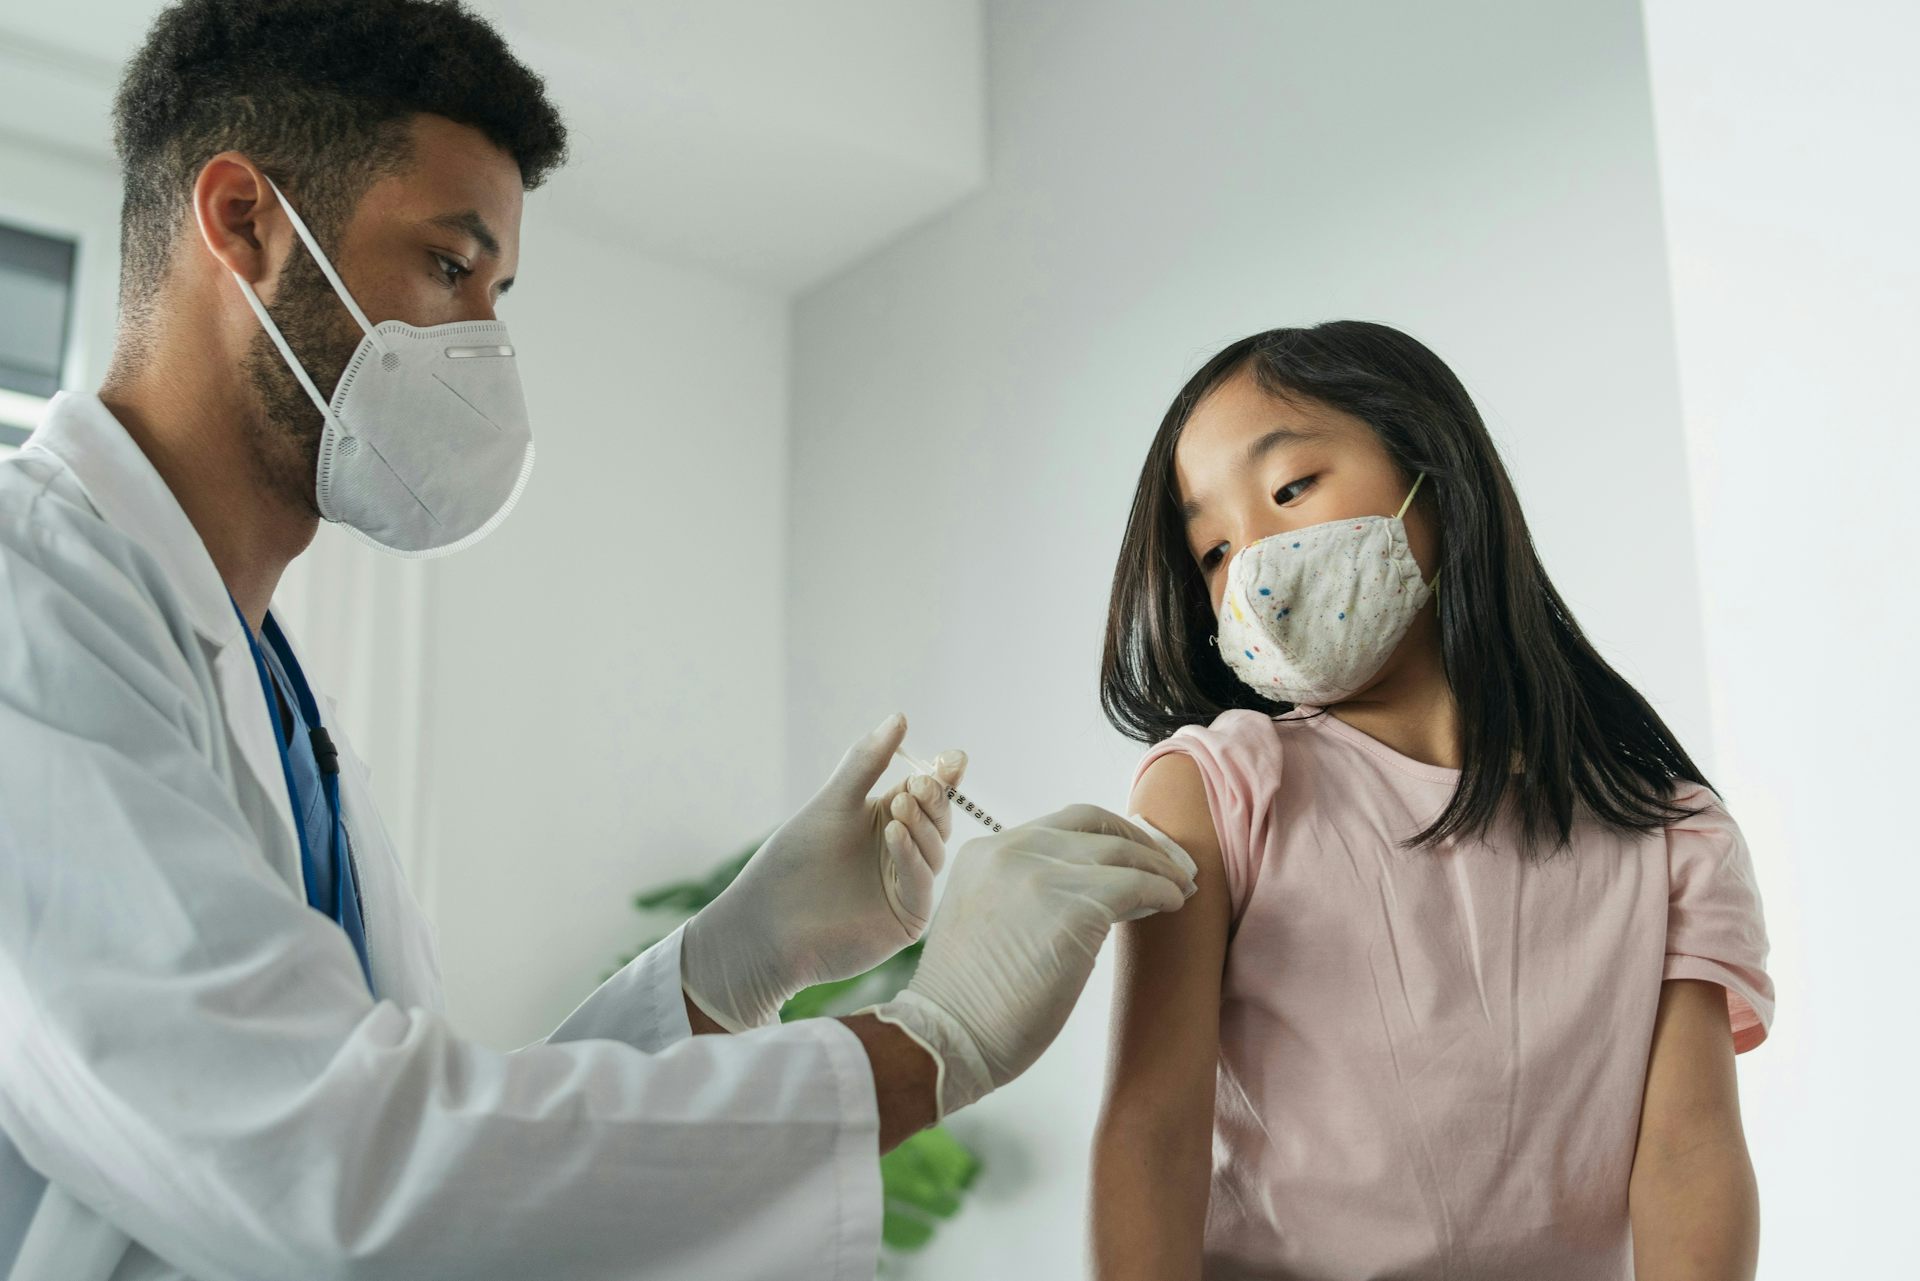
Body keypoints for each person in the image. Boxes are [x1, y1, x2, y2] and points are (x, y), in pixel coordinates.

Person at [0, 2, 1194, 1278]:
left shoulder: (262, 675)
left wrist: (725, 966)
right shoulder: (32, 603)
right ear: (243, 220)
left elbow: (449, 1160)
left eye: (497, 293)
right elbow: (335, 1174)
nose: (483, 348)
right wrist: (925, 1044)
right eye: (450, 269)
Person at [1088, 322, 1774, 1281]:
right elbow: (1150, 1129)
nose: (1253, 563)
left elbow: (1689, 1153)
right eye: (1211, 550)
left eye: (1291, 489)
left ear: (1437, 476)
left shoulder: (1670, 835)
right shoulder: (1216, 788)